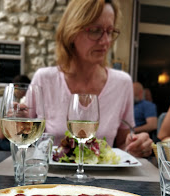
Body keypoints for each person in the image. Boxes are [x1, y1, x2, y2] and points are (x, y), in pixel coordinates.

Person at [30, 0, 152, 158]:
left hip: (102, 181)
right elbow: (24, 136)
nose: (106, 41)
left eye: (110, 31)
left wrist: (136, 146)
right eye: (95, 30)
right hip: (51, 179)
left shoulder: (122, 83)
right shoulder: (45, 79)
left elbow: (122, 145)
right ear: (71, 32)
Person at [0, 74, 31, 151]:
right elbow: (1, 134)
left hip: (16, 143)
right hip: (5, 147)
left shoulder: (19, 103)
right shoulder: (0, 103)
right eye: (25, 90)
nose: (25, 94)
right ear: (16, 87)